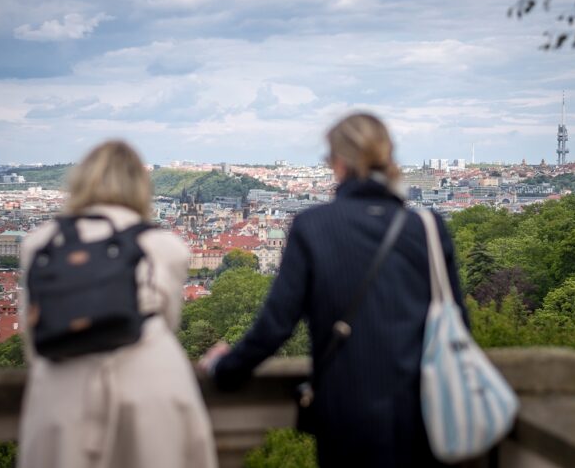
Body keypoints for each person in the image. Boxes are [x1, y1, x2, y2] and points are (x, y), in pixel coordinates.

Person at [201, 113, 469, 467]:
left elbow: (276, 326)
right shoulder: (428, 227)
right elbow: (458, 323)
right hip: (426, 414)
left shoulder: (313, 226)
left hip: (347, 415)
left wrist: (226, 368)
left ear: (339, 162)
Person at [18, 141, 217, 468]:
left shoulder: (40, 243)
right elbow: (169, 323)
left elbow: (32, 332)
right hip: (151, 379)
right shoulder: (164, 244)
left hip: (64, 382)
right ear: (141, 188)